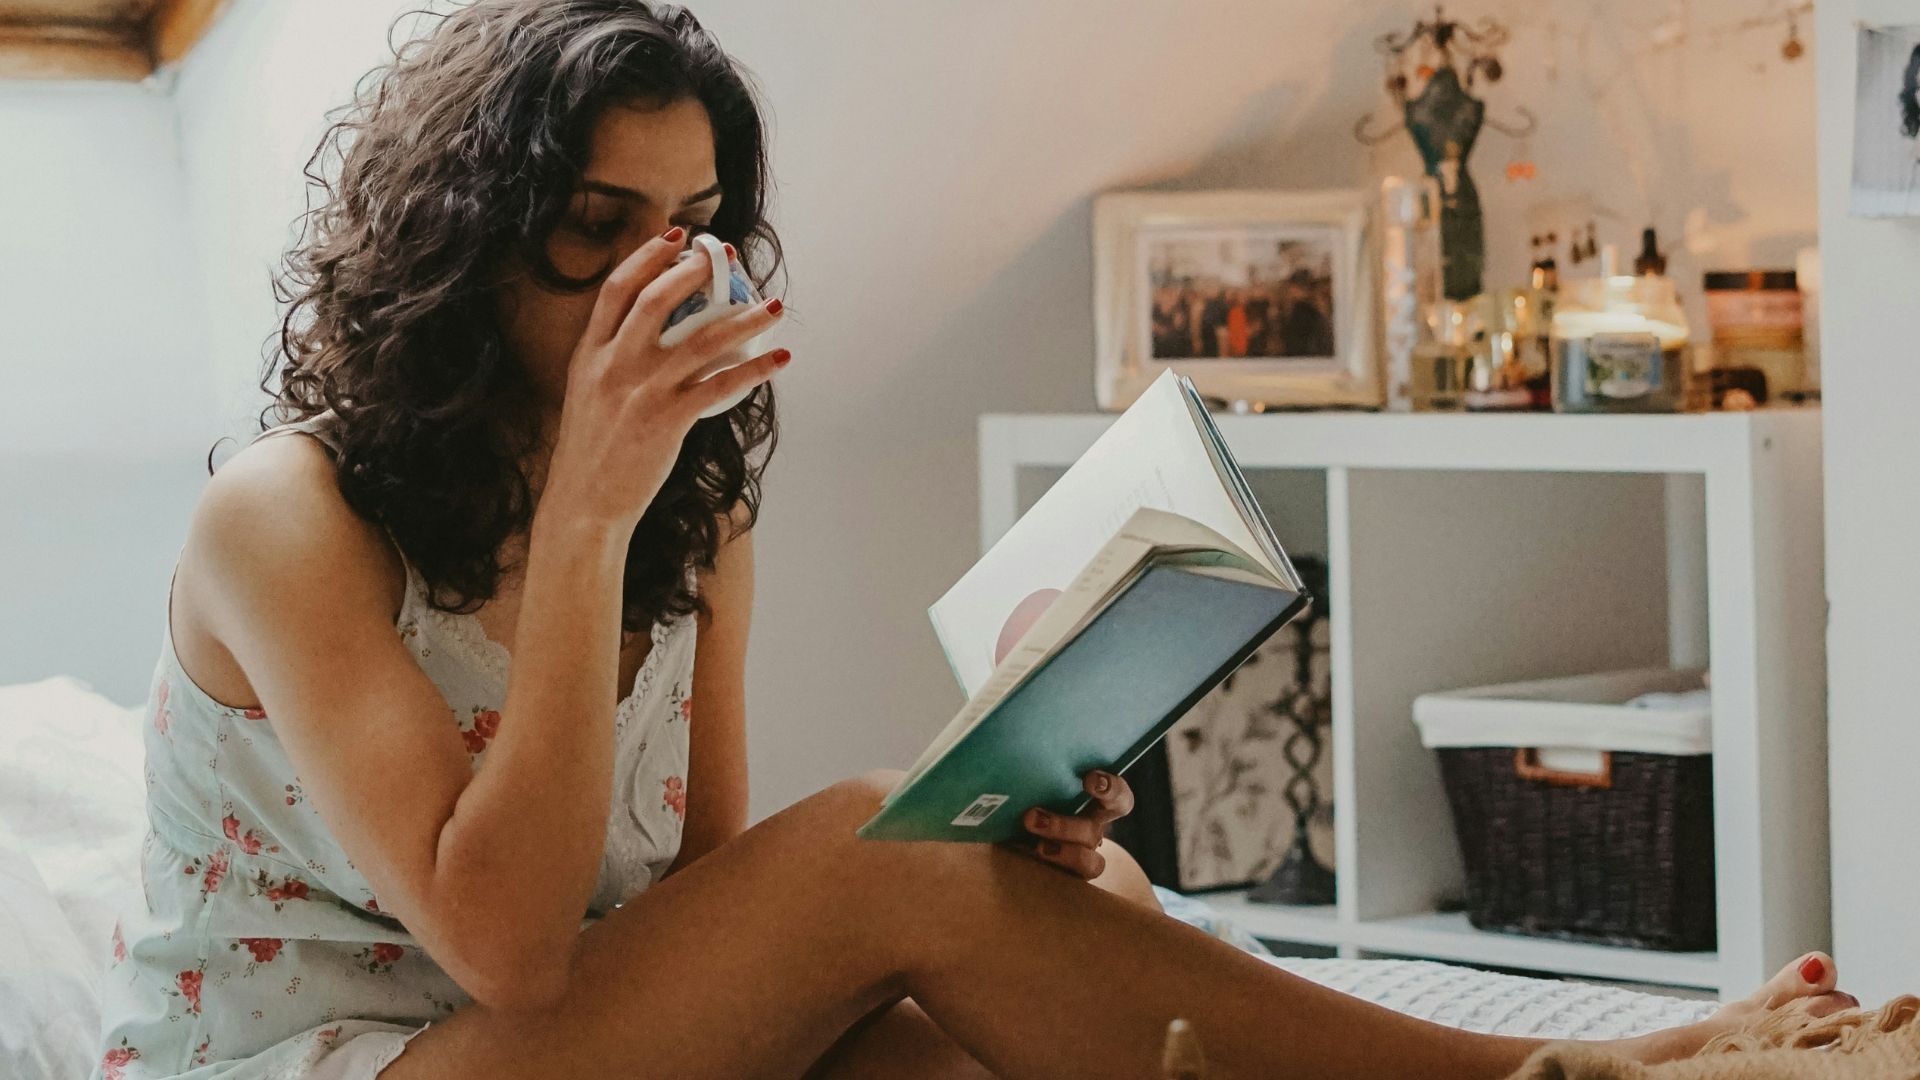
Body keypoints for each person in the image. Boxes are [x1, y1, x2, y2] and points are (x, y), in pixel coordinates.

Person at [94, 3, 1855, 1078]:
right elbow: (514, 954)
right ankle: (1554, 1071)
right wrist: (582, 522)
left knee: (1067, 936)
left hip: (572, 1047)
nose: (664, 276)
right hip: (339, 1066)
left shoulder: (693, 514)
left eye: (698, 228)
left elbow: (695, 921)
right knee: (882, 843)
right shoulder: (290, 519)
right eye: (597, 226)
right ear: (470, 243)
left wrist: (994, 835)